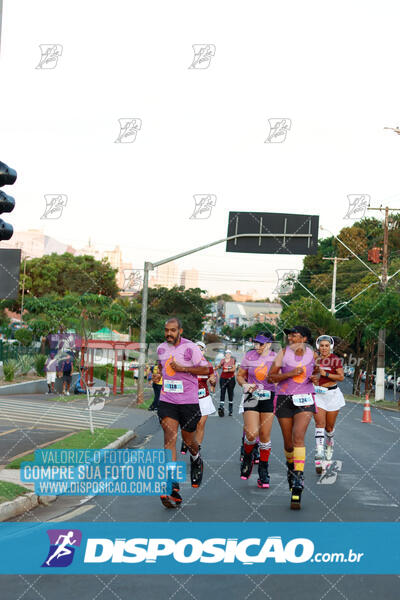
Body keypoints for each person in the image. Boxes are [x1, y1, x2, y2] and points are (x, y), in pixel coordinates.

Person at [152, 317, 210, 508]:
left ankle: (196, 458)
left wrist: (184, 368)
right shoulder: (161, 348)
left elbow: (206, 369)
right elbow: (161, 366)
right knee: (169, 438)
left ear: (180, 331)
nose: (169, 334)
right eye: (166, 330)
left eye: (173, 330)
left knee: (188, 441)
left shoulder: (190, 348)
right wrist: (159, 373)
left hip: (188, 402)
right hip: (168, 400)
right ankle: (172, 484)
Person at [268, 326, 318, 510]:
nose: (290, 337)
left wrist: (316, 377)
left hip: (305, 398)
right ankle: (291, 466)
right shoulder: (282, 353)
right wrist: (290, 374)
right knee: (288, 444)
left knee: (299, 436)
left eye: (294, 335)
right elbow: (271, 377)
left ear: (304, 338)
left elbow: (318, 372)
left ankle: (298, 476)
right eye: (289, 334)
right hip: (284, 399)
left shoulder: (313, 354)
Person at [236, 333, 276, 488]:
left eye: (261, 344)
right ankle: (247, 456)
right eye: (256, 343)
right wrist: (244, 384)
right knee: (252, 433)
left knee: (265, 436)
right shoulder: (249, 357)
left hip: (269, 396)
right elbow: (240, 376)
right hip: (251, 395)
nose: (257, 346)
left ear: (269, 344)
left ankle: (263, 471)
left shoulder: (276, 358)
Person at [312, 335, 345, 472]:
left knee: (329, 428)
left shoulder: (335, 360)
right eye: (321, 345)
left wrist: (324, 373)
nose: (324, 348)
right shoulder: (314, 359)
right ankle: (319, 454)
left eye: (326, 345)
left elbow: (341, 377)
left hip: (332, 395)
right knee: (320, 424)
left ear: (330, 346)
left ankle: (329, 447)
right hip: (318, 394)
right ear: (318, 346)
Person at [181, 341, 216, 454]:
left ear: (204, 351)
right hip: (189, 399)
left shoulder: (207, 364)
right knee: (190, 424)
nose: (198, 351)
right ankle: (187, 439)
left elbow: (212, 376)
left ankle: (197, 449)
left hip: (203, 397)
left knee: (200, 424)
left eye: (201, 349)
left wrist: (213, 380)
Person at [217, 349, 236, 416]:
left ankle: (230, 410)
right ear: (225, 354)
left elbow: (234, 369)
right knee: (222, 392)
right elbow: (219, 366)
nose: (227, 355)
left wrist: (227, 370)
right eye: (226, 353)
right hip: (223, 379)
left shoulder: (232, 360)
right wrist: (218, 367)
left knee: (230, 393)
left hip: (231, 379)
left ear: (230, 355)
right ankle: (221, 408)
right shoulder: (222, 360)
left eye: (229, 353)